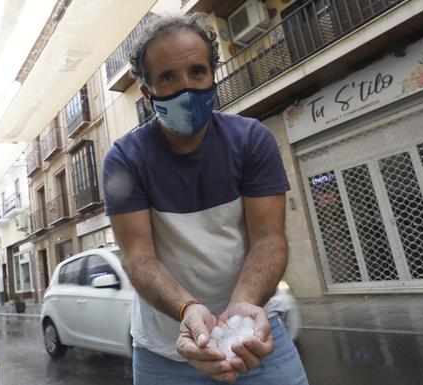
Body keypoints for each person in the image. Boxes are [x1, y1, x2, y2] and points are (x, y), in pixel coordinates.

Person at [102, 13, 309, 385]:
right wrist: (188, 308)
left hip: (256, 336)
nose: (187, 88)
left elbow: (269, 239)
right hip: (164, 353)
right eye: (167, 77)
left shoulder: (252, 140)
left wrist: (243, 309)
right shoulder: (125, 159)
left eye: (197, 72)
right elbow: (138, 256)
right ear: (146, 92)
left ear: (212, 74)